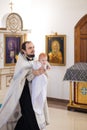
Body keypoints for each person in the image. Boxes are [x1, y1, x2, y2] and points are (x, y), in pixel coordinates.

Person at [0, 41, 49, 130]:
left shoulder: (33, 61)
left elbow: (39, 72)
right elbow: (23, 78)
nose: (33, 49)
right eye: (30, 48)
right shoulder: (22, 64)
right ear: (24, 51)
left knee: (28, 117)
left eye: (33, 47)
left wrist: (42, 70)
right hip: (24, 93)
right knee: (30, 116)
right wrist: (35, 72)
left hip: (33, 93)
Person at [31, 53, 51, 130]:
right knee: (36, 94)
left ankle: (39, 109)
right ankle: (36, 107)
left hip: (42, 84)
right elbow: (35, 70)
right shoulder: (36, 64)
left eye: (45, 60)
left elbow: (49, 67)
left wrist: (47, 66)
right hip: (37, 82)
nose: (44, 62)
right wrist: (43, 68)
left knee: (42, 96)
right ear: (39, 60)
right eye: (42, 60)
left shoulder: (45, 64)